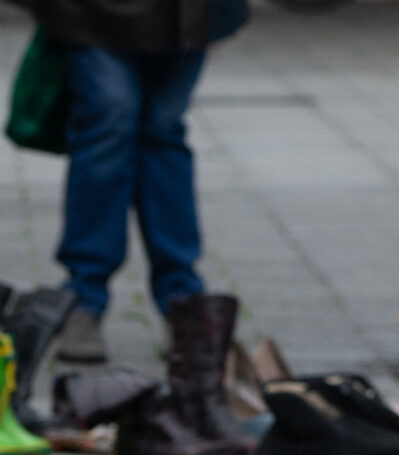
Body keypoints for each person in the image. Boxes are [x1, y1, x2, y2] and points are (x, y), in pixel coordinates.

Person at [9, 0, 247, 362]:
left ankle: (182, 301)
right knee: (109, 120)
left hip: (189, 14)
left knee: (163, 131)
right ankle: (83, 298)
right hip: (89, 14)